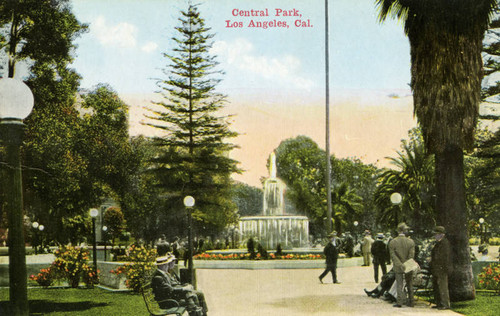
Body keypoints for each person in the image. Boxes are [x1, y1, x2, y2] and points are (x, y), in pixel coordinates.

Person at [389, 222, 415, 308]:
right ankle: (412, 301)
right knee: (409, 283)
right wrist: (406, 264)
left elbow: (393, 256)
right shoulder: (411, 242)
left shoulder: (393, 242)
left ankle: (399, 301)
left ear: (398, 231)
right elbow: (411, 255)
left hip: (398, 266)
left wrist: (400, 264)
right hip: (408, 265)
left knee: (399, 284)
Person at [430, 226, 451, 310]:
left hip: (442, 269)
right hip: (437, 268)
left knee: (442, 286)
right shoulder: (439, 243)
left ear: (441, 234)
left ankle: (445, 304)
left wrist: (432, 259)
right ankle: (439, 303)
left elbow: (443, 257)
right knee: (437, 287)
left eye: (436, 234)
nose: (435, 236)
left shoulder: (444, 244)